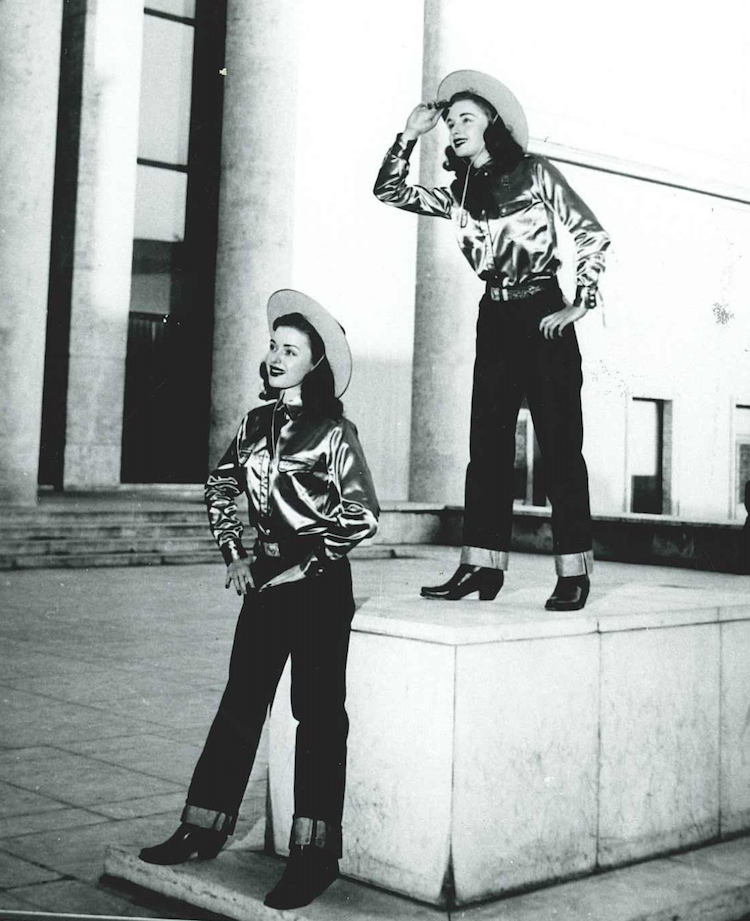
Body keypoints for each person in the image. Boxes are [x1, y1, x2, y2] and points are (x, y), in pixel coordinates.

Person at [138, 290, 379, 910]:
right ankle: (201, 829)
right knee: (241, 703)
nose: (274, 357)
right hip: (265, 578)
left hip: (320, 585)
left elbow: (361, 515)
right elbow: (220, 483)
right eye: (273, 345)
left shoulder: (336, 431)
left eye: (289, 350)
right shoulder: (253, 423)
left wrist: (305, 567)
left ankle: (313, 856)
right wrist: (234, 553)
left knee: (318, 715)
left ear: (313, 364)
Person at [374, 69, 610, 610]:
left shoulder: (535, 172)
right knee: (486, 450)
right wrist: (409, 135)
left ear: (492, 126)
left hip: (544, 309)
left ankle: (574, 572)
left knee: (559, 451)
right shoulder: (460, 190)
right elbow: (389, 190)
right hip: (494, 318)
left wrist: (579, 303)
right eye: (450, 121)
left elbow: (590, 234)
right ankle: (480, 566)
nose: (455, 128)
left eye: (466, 119)